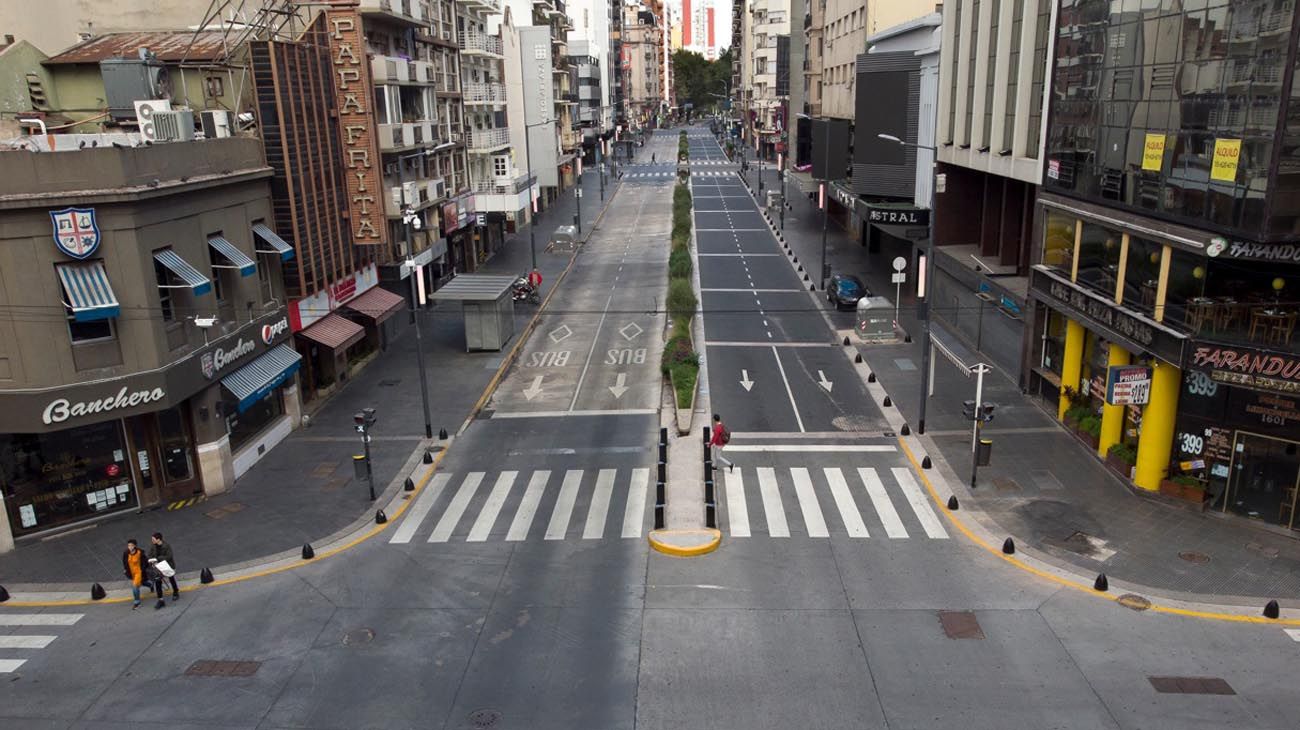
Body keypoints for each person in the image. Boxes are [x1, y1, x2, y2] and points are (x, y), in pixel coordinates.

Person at [122, 539, 163, 610]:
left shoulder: (139, 552)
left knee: (135, 586)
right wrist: (125, 569)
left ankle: (137, 602)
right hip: (131, 572)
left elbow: (145, 562)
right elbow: (124, 562)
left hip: (139, 572)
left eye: (131, 545)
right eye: (128, 545)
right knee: (142, 582)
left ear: (135, 546)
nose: (130, 547)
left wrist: (143, 569)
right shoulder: (126, 553)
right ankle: (150, 585)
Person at [149, 532, 179, 601]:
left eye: (153, 539)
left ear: (158, 539)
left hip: (167, 565)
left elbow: (169, 556)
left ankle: (175, 591)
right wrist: (151, 560)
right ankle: (160, 598)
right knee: (158, 581)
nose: (152, 541)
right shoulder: (153, 546)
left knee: (171, 578)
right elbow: (150, 555)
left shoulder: (166, 546)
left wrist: (158, 559)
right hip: (158, 566)